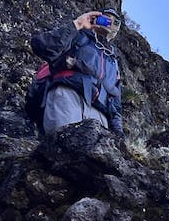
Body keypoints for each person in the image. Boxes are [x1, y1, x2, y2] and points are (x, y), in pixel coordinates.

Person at [30, 8, 124, 138]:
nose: (109, 23)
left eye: (114, 22)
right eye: (105, 18)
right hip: (68, 95)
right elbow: (42, 46)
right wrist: (78, 24)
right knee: (61, 146)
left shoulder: (113, 61)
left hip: (100, 113)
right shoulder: (79, 36)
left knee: (92, 157)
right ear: (96, 18)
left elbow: (115, 101)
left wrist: (118, 132)